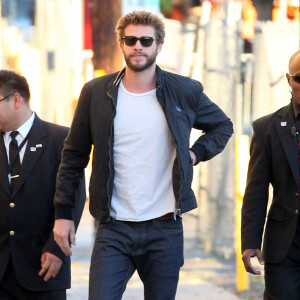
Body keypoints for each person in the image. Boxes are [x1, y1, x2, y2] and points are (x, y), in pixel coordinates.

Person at [53, 10, 233, 300]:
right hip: (113, 227)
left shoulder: (184, 90)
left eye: (146, 40)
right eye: (131, 40)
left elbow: (223, 126)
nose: (138, 46)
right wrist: (63, 214)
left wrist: (196, 153)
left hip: (164, 227)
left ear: (159, 45)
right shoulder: (96, 93)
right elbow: (73, 156)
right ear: (121, 44)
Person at [0, 70, 86, 300]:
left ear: (15, 99)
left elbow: (74, 199)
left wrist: (57, 249)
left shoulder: (60, 139)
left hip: (44, 267)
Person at [241, 50, 300, 299]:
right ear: (289, 80)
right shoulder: (267, 128)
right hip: (285, 248)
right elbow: (256, 190)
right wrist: (250, 241)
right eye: (299, 78)